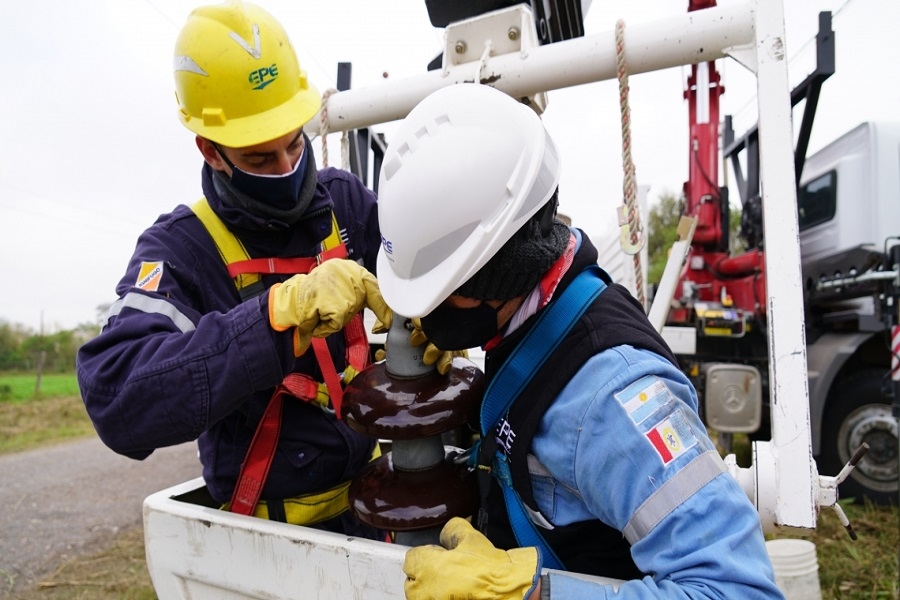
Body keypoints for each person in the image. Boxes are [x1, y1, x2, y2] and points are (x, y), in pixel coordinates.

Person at [376, 83, 785, 599]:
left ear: (497, 274)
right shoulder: (543, 316)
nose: (426, 314)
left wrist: (534, 595)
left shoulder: (610, 400)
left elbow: (739, 591)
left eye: (441, 291)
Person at [75, 0, 420, 538]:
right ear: (211, 151)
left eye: (293, 143)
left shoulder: (345, 205)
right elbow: (117, 399)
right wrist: (276, 319)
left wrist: (436, 317)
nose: (286, 169)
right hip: (265, 544)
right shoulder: (181, 250)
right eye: (260, 160)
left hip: (375, 514)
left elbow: (427, 272)